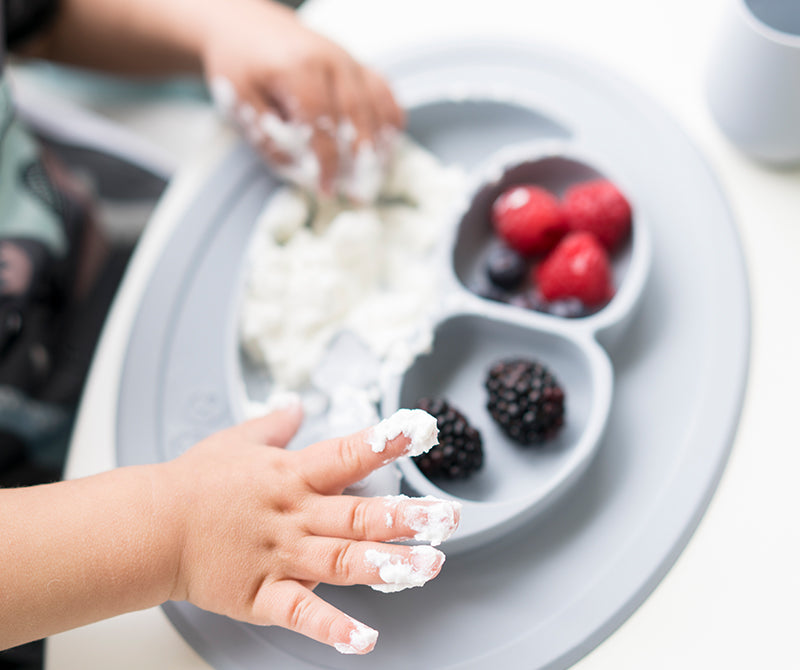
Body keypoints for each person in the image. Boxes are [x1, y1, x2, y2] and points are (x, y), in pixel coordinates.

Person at [0, 0, 457, 659]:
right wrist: (175, 534)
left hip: (106, 242)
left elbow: (38, 14)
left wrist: (217, 22)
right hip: (65, 570)